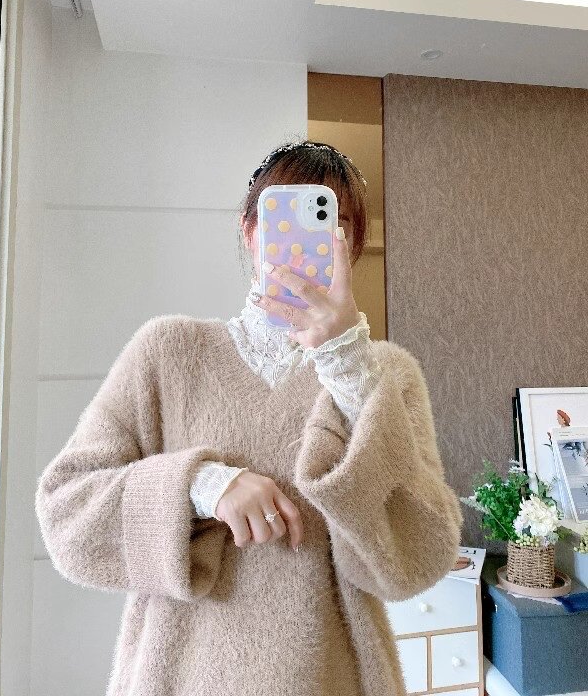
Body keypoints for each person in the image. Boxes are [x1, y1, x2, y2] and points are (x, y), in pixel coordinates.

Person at [35, 140, 463, 696]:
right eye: (283, 220)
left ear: (352, 245)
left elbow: (420, 556)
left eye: (331, 226)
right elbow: (66, 512)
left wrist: (348, 367)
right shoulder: (168, 351)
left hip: (332, 677)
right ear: (249, 230)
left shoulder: (385, 375)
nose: (307, 243)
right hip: (177, 674)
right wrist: (200, 486)